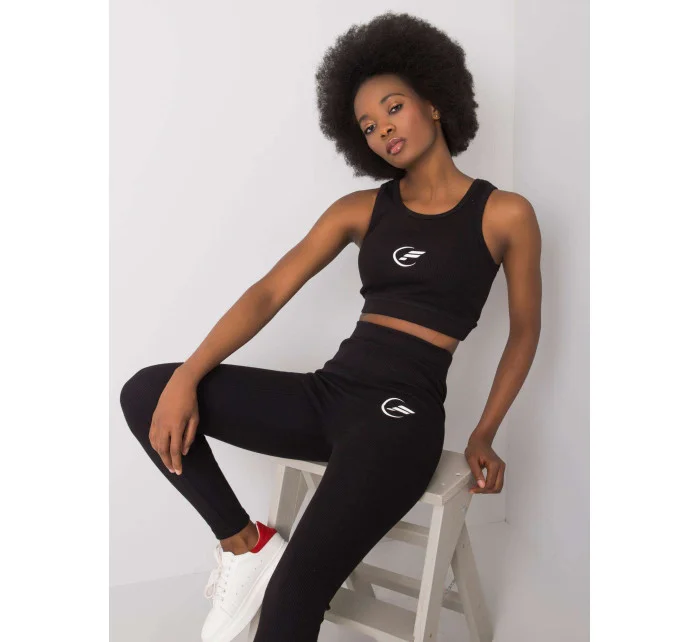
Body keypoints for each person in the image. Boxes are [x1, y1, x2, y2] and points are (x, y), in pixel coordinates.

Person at [119, 10, 541, 642]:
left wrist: (484, 431)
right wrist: (188, 375)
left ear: (434, 102)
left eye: (393, 108)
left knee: (293, 598)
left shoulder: (505, 213)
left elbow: (525, 331)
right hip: (329, 395)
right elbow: (268, 293)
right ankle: (245, 546)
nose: (383, 129)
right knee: (147, 391)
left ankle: (274, 576)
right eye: (368, 125)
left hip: (400, 419)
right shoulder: (360, 209)